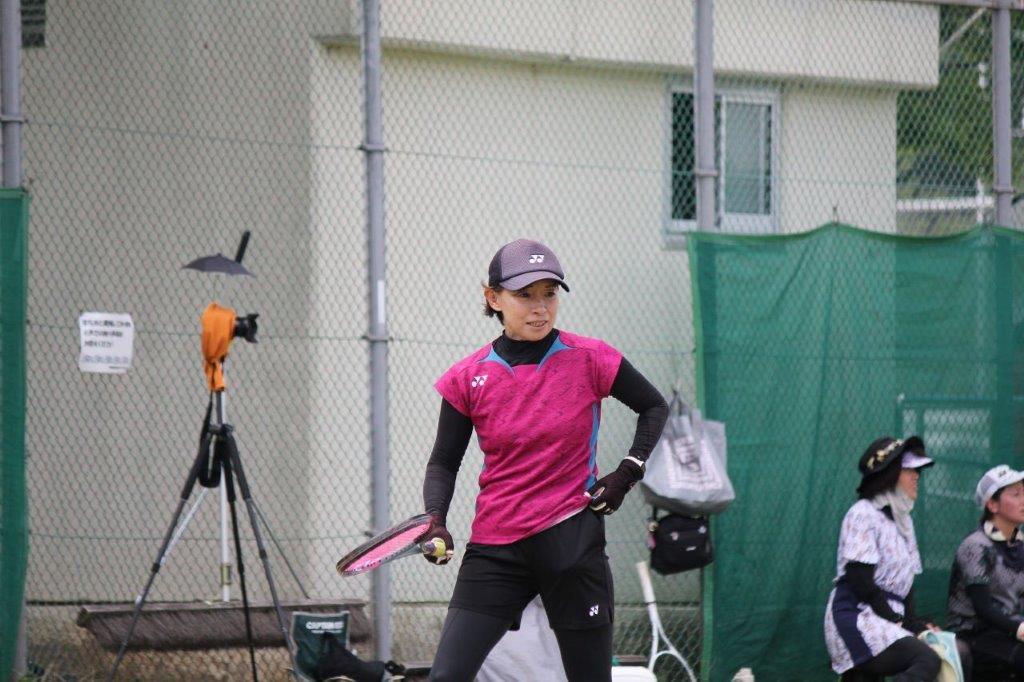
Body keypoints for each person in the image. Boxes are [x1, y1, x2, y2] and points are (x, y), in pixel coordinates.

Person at [418, 238, 669, 682]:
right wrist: (435, 519)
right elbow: (443, 461)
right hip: (496, 548)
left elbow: (653, 406)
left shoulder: (590, 358)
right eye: (524, 295)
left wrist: (627, 473)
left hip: (573, 541)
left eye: (549, 294)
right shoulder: (467, 376)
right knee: (446, 676)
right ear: (493, 298)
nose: (540, 308)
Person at [823, 436, 942, 681]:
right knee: (927, 659)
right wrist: (895, 619)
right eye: (909, 469)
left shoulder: (904, 521)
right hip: (856, 616)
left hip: (886, 620)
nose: (917, 476)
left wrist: (914, 624)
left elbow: (906, 585)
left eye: (917, 470)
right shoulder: (862, 513)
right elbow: (860, 579)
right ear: (889, 474)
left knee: (951, 651)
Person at [947, 465, 1024, 680]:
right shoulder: (975, 546)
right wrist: (1020, 628)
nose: (1023, 500)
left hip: (1011, 631)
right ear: (992, 504)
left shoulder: (1020, 546)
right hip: (974, 634)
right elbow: (984, 608)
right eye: (1016, 494)